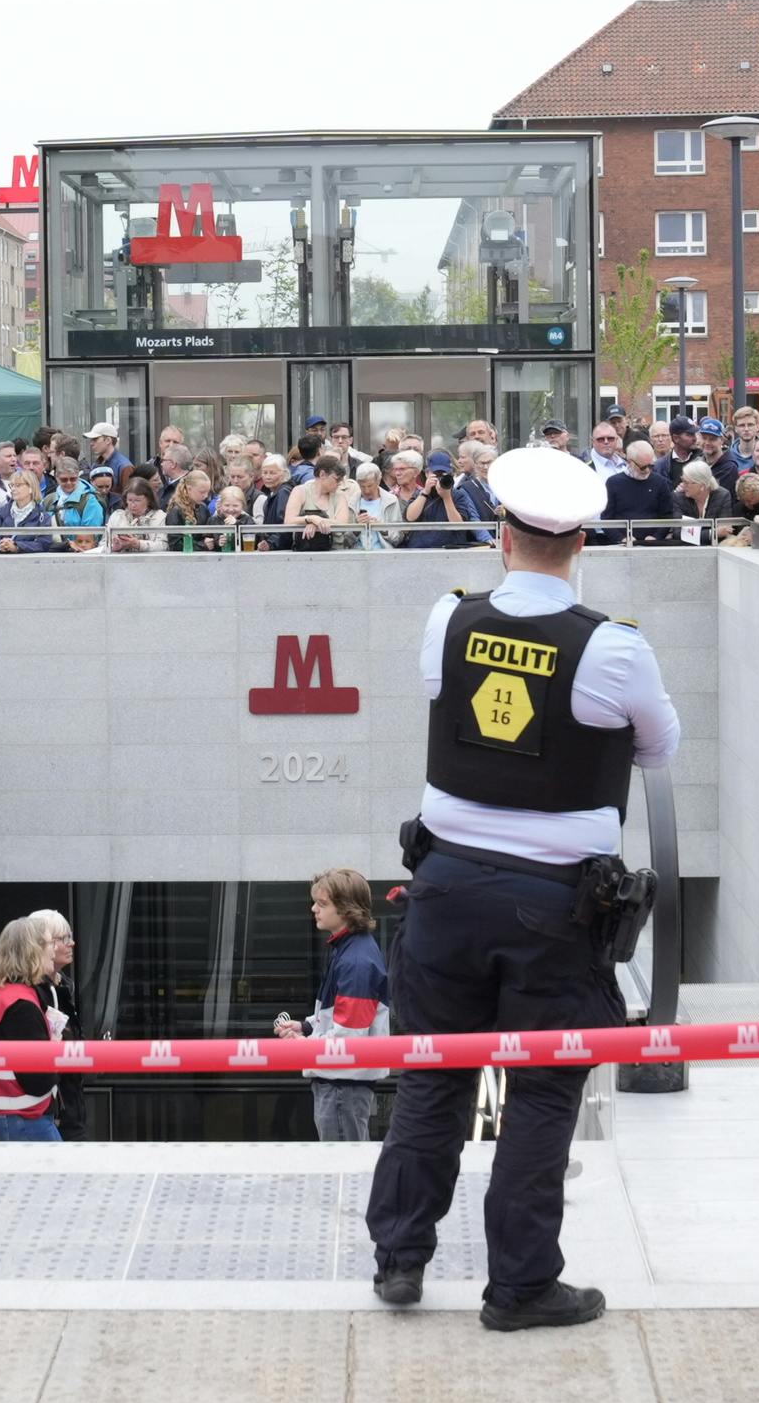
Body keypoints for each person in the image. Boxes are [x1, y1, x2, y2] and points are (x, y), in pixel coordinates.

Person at [367, 444, 678, 1331]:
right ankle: (520, 1286)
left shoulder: (448, 618)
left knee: (433, 1077)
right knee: (542, 1090)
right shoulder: (613, 648)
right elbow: (659, 748)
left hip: (444, 888)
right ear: (580, 544)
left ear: (500, 538)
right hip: (556, 905)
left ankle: (400, 1258)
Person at [273, 866, 393, 1143]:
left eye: (322, 903)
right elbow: (342, 1021)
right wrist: (305, 1026)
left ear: (346, 909)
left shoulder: (355, 961)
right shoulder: (353, 952)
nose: (314, 908)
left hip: (341, 1086)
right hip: (343, 1085)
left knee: (343, 1165)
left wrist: (301, 1045)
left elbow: (347, 1040)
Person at [0, 908, 77, 1140]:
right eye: (49, 944)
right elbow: (39, 1081)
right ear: (33, 952)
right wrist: (55, 1049)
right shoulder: (22, 1008)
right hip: (26, 1121)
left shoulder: (2, 995)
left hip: (10, 1117)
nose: (53, 951)